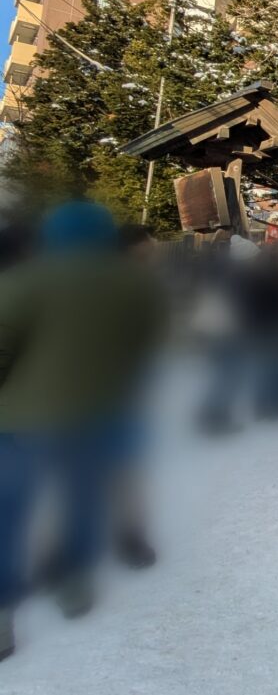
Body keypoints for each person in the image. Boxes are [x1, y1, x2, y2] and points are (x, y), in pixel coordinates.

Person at [0, 201, 163, 660]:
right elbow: (146, 348)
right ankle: (74, 583)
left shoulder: (22, 282)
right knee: (83, 500)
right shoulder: (137, 287)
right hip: (99, 417)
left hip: (20, 422)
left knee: (8, 513)